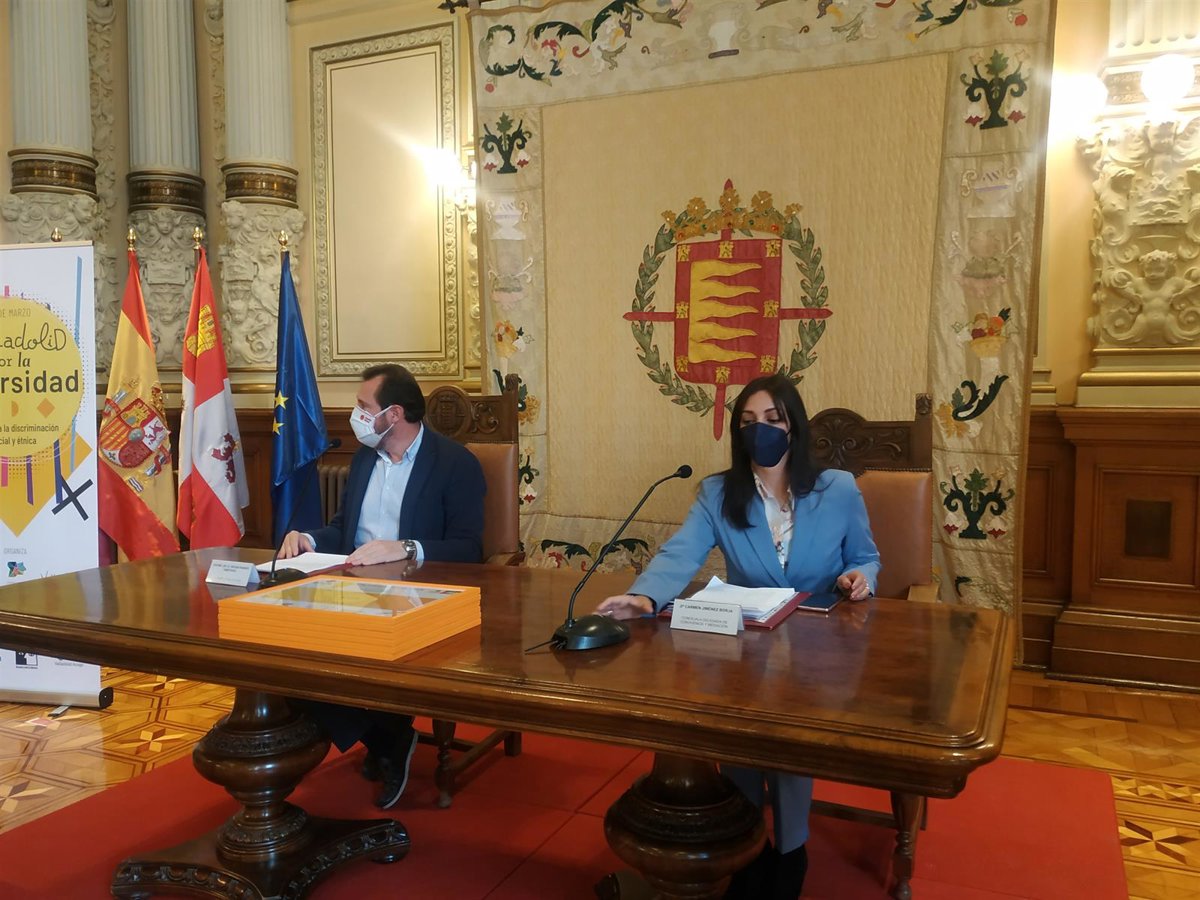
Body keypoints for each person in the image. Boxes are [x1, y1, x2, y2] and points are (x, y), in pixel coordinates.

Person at [595, 373, 879, 900]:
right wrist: (644, 597)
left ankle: (791, 850)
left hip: (820, 644)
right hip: (747, 643)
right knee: (740, 740)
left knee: (790, 746)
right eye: (748, 422)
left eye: (772, 419)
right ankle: (747, 842)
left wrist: (860, 577)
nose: (760, 430)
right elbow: (682, 552)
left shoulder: (837, 488)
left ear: (793, 426)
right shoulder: (718, 492)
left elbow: (865, 556)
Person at [279, 363, 486, 809]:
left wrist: (406, 548)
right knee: (286, 648)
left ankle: (383, 739)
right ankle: (388, 738)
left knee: (357, 649)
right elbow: (344, 529)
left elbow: (470, 548)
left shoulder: (455, 464)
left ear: (393, 414)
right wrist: (309, 538)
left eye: (362, 406)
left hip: (417, 593)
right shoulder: (364, 459)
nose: (355, 415)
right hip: (350, 586)